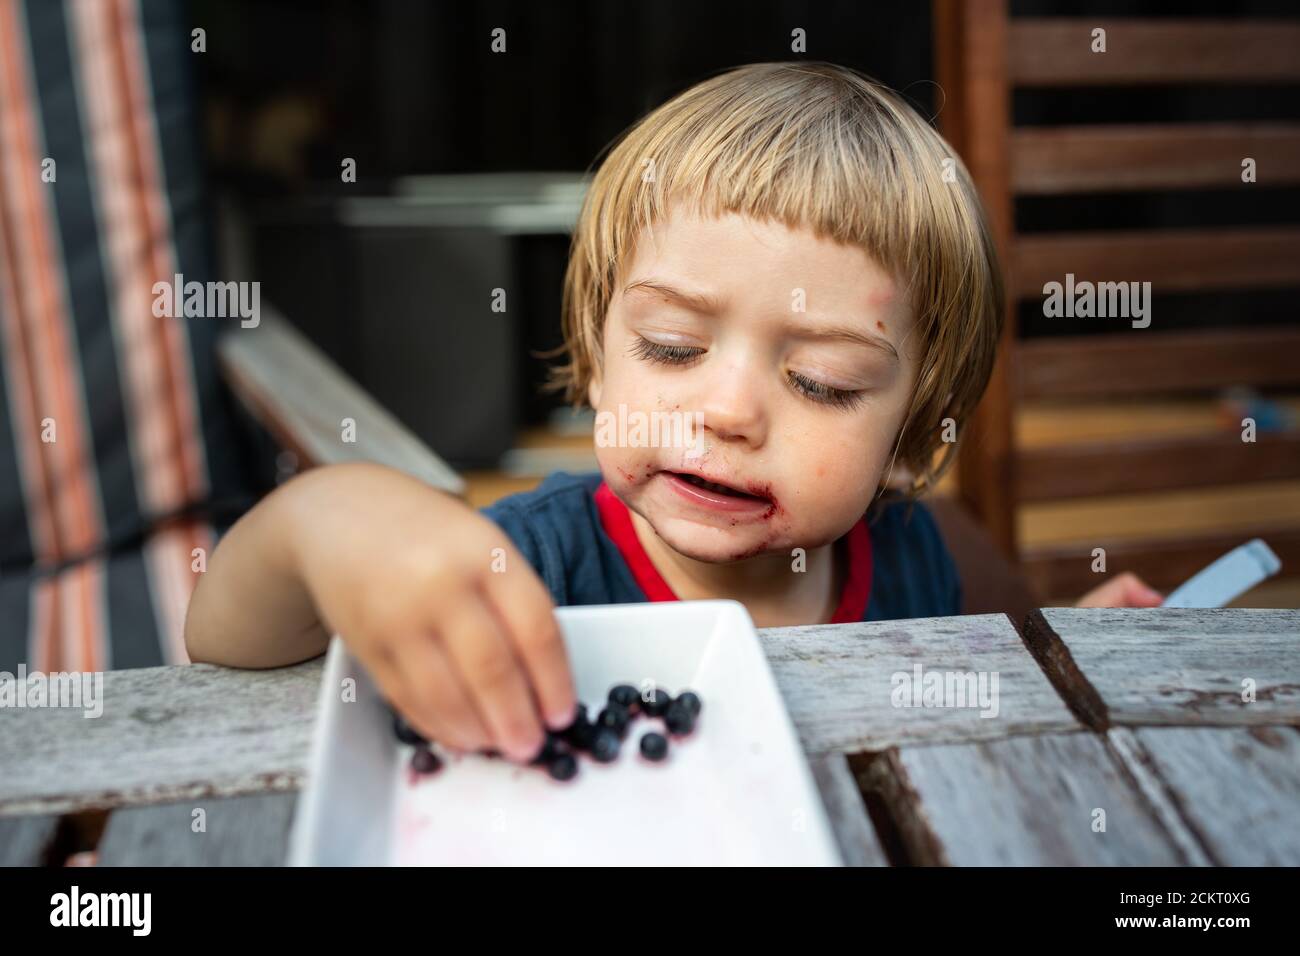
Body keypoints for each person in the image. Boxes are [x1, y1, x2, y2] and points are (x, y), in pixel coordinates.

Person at [185, 63, 1160, 764]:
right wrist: (329, 521)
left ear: (908, 438)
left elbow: (971, 708)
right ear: (600, 360)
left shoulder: (912, 560)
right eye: (670, 347)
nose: (727, 410)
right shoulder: (529, 564)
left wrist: (1058, 653)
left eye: (820, 380)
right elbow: (226, 640)